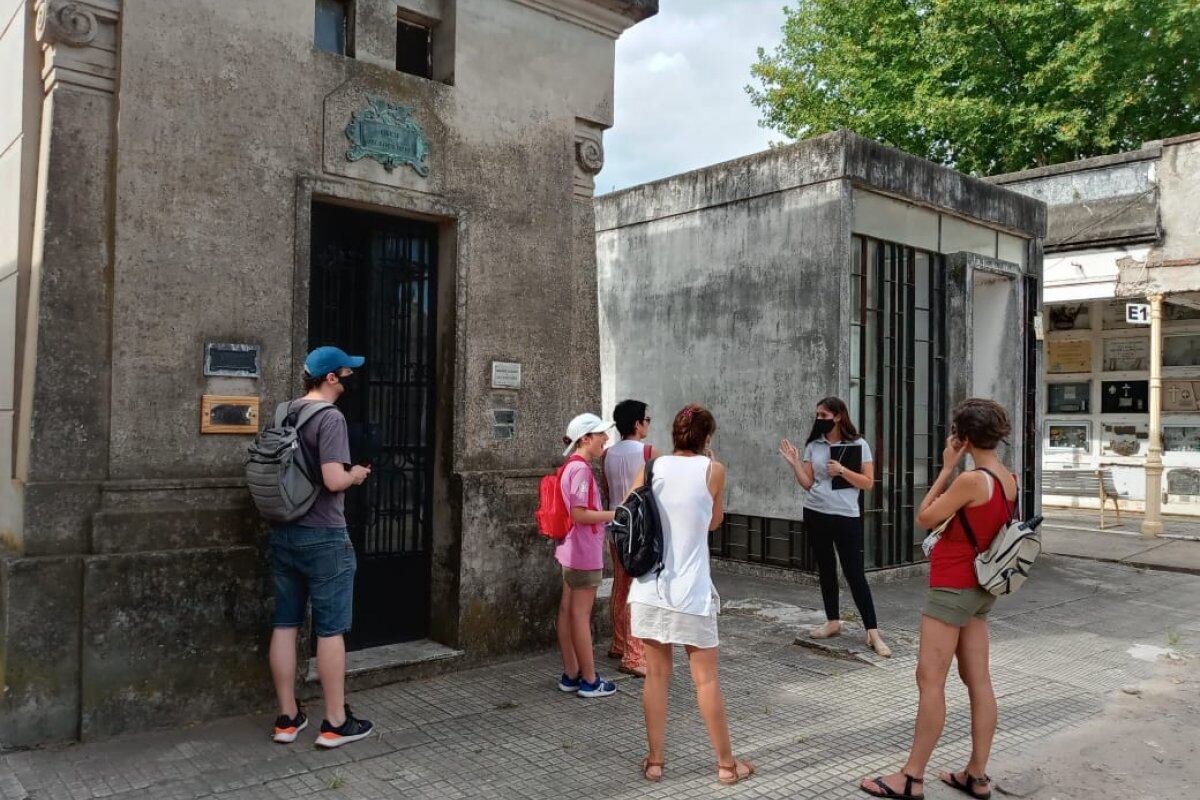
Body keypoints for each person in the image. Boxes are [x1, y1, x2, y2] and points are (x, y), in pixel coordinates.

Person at [860, 399, 1016, 800]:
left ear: (962, 438)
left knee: (930, 680)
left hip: (952, 586)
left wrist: (947, 467)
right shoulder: (1008, 479)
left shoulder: (970, 481)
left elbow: (925, 517)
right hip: (981, 588)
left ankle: (911, 777)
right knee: (979, 681)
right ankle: (976, 774)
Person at [626, 404, 755, 786]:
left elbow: (630, 510)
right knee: (706, 681)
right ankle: (726, 766)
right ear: (707, 438)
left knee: (656, 677)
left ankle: (655, 762)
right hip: (691, 592)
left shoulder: (652, 467)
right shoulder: (713, 470)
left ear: (673, 434)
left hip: (649, 587)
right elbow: (713, 522)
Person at [269, 346, 374, 748]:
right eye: (347, 371)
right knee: (331, 628)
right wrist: (357, 474)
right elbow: (332, 480)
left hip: (283, 530)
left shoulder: (285, 411)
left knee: (284, 622)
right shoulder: (330, 418)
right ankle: (334, 722)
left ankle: (287, 717)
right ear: (331, 377)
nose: (351, 377)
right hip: (323, 534)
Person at [779, 397, 891, 658]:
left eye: (824, 414)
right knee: (826, 569)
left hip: (846, 516)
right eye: (817, 414)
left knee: (854, 573)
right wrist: (795, 462)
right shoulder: (814, 445)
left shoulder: (858, 444)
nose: (819, 418)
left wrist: (841, 471)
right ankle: (832, 621)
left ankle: (873, 632)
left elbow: (867, 483)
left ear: (839, 416)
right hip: (816, 512)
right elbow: (808, 483)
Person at [555, 413, 618, 698]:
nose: (606, 439)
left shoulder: (571, 466)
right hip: (583, 551)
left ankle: (571, 673)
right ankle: (590, 680)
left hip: (572, 549)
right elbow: (579, 514)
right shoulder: (580, 470)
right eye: (601, 434)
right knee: (580, 615)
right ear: (585, 439)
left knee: (568, 611)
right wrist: (616, 514)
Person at [600, 399, 661, 678]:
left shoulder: (606, 454)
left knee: (620, 586)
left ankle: (619, 642)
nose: (649, 424)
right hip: (640, 531)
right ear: (637, 424)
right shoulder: (649, 452)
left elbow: (606, 491)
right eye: (647, 420)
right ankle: (634, 655)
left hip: (615, 528)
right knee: (638, 591)